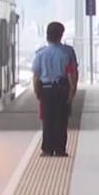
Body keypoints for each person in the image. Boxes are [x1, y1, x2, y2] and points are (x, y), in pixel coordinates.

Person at [32, 22, 76, 157]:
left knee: (47, 120)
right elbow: (71, 75)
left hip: (46, 90)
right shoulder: (67, 52)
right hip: (62, 90)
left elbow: (36, 76)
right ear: (61, 35)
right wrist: (71, 92)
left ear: (47, 35)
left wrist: (37, 92)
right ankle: (60, 149)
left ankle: (47, 149)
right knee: (61, 120)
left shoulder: (40, 54)